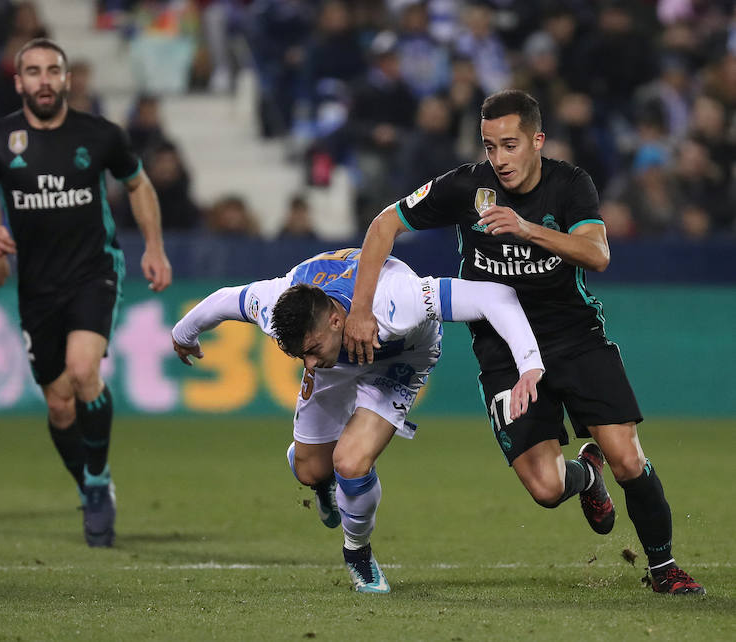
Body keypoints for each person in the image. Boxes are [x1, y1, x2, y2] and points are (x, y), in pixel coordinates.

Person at [343, 89, 705, 596]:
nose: (499, 159)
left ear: (537, 140)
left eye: (510, 145)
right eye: (490, 147)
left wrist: (527, 229)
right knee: (546, 488)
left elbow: (597, 254)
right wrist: (360, 310)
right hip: (502, 350)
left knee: (627, 456)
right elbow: (385, 224)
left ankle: (664, 569)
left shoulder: (571, 184)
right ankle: (585, 476)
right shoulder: (466, 187)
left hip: (573, 336)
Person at [171, 248, 544, 593]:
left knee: (350, 463)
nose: (309, 364)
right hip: (341, 365)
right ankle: (322, 482)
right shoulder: (278, 305)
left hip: (400, 360)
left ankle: (357, 552)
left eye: (312, 350)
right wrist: (182, 334)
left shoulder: (397, 300)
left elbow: (495, 297)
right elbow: (223, 301)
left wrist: (529, 365)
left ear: (336, 319)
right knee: (311, 471)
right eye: (301, 356)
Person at [0, 38, 172, 547]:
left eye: (53, 70)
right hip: (37, 285)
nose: (44, 80)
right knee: (58, 405)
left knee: (83, 372)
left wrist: (155, 248)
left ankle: (97, 484)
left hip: (93, 271)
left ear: (66, 78)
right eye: (33, 72)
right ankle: (89, 483)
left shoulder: (100, 135)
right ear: (19, 82)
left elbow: (138, 184)